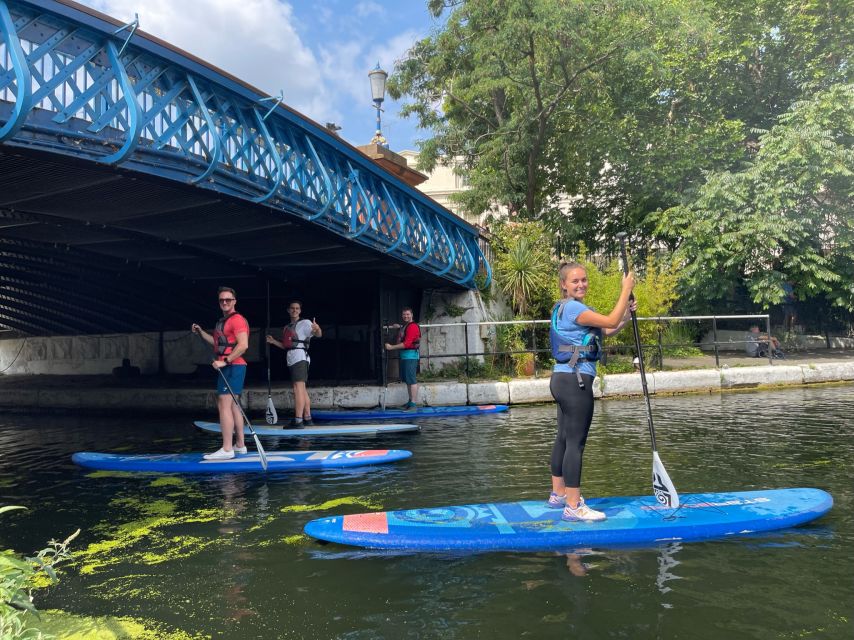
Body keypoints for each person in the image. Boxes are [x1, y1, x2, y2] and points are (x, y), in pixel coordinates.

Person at [547, 262, 636, 522]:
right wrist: (625, 289)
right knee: (576, 443)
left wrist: (627, 318)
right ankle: (574, 507)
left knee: (563, 437)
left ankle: (559, 494)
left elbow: (606, 329)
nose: (581, 284)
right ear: (564, 284)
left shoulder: (562, 308)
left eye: (584, 280)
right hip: (576, 382)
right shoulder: (574, 307)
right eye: (575, 281)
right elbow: (609, 318)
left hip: (562, 379)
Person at [191, 287, 249, 460]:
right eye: (222, 300)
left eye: (228, 300)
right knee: (233, 405)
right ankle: (240, 445)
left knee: (224, 404)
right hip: (231, 366)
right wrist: (201, 333)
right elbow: (217, 344)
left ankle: (226, 448)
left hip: (232, 366)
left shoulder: (236, 320)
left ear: (234, 301)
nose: (225, 302)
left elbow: (243, 345)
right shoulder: (224, 321)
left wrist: (225, 361)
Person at [266, 300, 322, 428]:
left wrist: (317, 328)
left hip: (300, 358)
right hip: (292, 358)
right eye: (292, 308)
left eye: (297, 308)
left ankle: (298, 420)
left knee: (298, 389)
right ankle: (307, 418)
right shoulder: (287, 327)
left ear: (300, 311)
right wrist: (273, 341)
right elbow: (287, 346)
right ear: (288, 310)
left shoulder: (305, 323)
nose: (295, 310)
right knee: (302, 389)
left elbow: (318, 334)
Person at [385, 307, 421, 409]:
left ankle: (413, 404)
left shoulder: (413, 326)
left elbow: (407, 344)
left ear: (412, 315)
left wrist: (391, 347)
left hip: (410, 355)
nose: (406, 316)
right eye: (404, 315)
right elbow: (405, 330)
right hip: (405, 356)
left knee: (411, 379)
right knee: (407, 380)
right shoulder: (406, 326)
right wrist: (399, 326)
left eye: (408, 314)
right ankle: (410, 401)